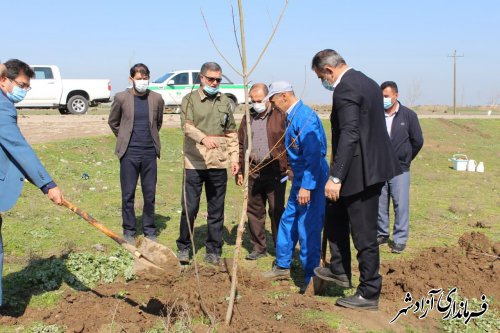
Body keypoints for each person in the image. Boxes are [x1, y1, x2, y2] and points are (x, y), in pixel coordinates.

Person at [311, 49, 402, 310]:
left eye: (321, 77)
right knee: (334, 213)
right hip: (364, 166)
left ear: (329, 70)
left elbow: (350, 133)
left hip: (361, 172)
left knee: (364, 234)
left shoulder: (345, 89)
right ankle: (339, 269)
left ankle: (369, 292)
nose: (323, 83)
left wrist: (336, 177)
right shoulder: (368, 81)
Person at [0, 59, 64, 307]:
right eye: (22, 85)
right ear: (4, 80)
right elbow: (18, 148)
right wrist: (47, 184)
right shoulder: (3, 107)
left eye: (27, 87)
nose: (24, 91)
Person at [262, 81, 329, 291]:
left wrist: (307, 186)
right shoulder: (292, 116)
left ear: (283, 96)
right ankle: (282, 265)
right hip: (300, 176)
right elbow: (297, 150)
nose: (272, 106)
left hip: (312, 178)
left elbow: (314, 154)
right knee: (288, 220)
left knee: (307, 225)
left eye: (273, 101)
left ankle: (311, 277)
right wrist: (292, 169)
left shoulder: (305, 118)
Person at [176, 62, 239, 265]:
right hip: (194, 162)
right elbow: (186, 127)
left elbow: (231, 132)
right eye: (211, 79)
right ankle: (184, 247)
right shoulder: (190, 100)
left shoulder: (225, 102)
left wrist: (235, 159)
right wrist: (203, 138)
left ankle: (213, 249)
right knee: (190, 207)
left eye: (218, 80)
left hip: (218, 163)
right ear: (202, 78)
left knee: (216, 209)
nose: (214, 83)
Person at [108, 63, 164, 243]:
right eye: (139, 79)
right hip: (129, 154)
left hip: (149, 153)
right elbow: (113, 122)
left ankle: (149, 229)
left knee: (150, 193)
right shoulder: (121, 98)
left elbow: (158, 123)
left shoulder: (156, 99)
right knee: (128, 193)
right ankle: (129, 230)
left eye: (145, 78)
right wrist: (124, 137)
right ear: (131, 79)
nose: (142, 81)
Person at [236, 83, 290, 260]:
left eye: (259, 100)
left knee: (276, 210)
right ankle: (258, 247)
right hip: (253, 169)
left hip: (274, 170)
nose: (256, 103)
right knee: (255, 210)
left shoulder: (280, 115)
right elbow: (241, 142)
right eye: (252, 100)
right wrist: (240, 169)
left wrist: (288, 167)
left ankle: (280, 246)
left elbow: (289, 142)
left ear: (267, 99)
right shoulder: (247, 117)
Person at [377, 81, 423, 254]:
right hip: (380, 167)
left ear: (396, 95)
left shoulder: (409, 116)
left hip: (400, 168)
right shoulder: (377, 115)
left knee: (400, 204)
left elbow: (417, 141)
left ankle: (400, 238)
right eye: (382, 96)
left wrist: (406, 158)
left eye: (387, 96)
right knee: (380, 203)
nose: (384, 99)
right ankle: (381, 233)